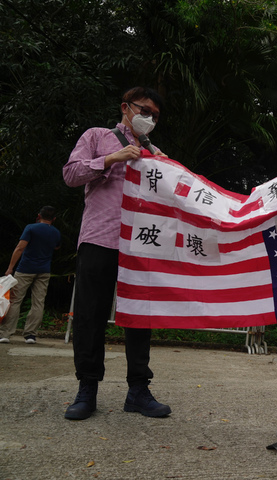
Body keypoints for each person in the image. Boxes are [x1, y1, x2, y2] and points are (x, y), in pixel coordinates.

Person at [62, 86, 171, 421]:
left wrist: (168, 172)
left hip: (139, 245)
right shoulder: (97, 136)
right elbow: (71, 174)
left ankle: (138, 390)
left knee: (139, 317)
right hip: (100, 237)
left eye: (154, 115)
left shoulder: (156, 152)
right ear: (126, 107)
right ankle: (87, 389)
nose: (148, 119)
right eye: (144, 110)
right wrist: (110, 158)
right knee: (89, 315)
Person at [0, 206, 61, 344]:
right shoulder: (56, 232)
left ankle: (6, 333)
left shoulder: (31, 228)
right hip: (44, 270)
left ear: (39, 216)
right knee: (38, 302)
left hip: (25, 269)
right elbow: (57, 247)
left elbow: (20, 247)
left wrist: (10, 268)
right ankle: (30, 335)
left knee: (15, 301)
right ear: (54, 219)